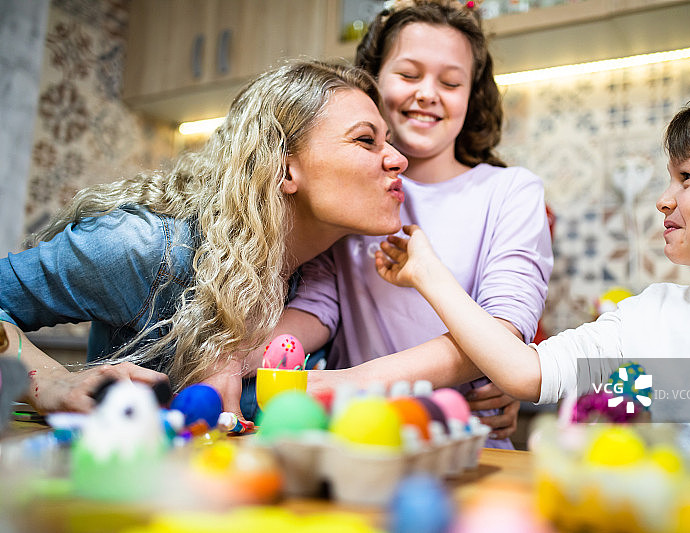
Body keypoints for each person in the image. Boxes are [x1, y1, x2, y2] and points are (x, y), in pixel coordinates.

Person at [369, 84, 690, 457]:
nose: (664, 200)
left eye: (687, 177)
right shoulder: (650, 317)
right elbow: (523, 371)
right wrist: (427, 273)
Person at [0, 59, 408, 417]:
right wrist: (49, 382)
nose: (398, 158)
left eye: (388, 140)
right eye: (365, 140)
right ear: (284, 170)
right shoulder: (144, 247)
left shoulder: (320, 274)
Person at [253, 0, 553, 447]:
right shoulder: (352, 190)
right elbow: (316, 306)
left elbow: (504, 331)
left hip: (465, 444)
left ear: (471, 96)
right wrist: (237, 357)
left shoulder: (512, 191)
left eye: (451, 82)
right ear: (371, 83)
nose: (428, 93)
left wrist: (340, 384)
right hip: (356, 441)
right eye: (409, 75)